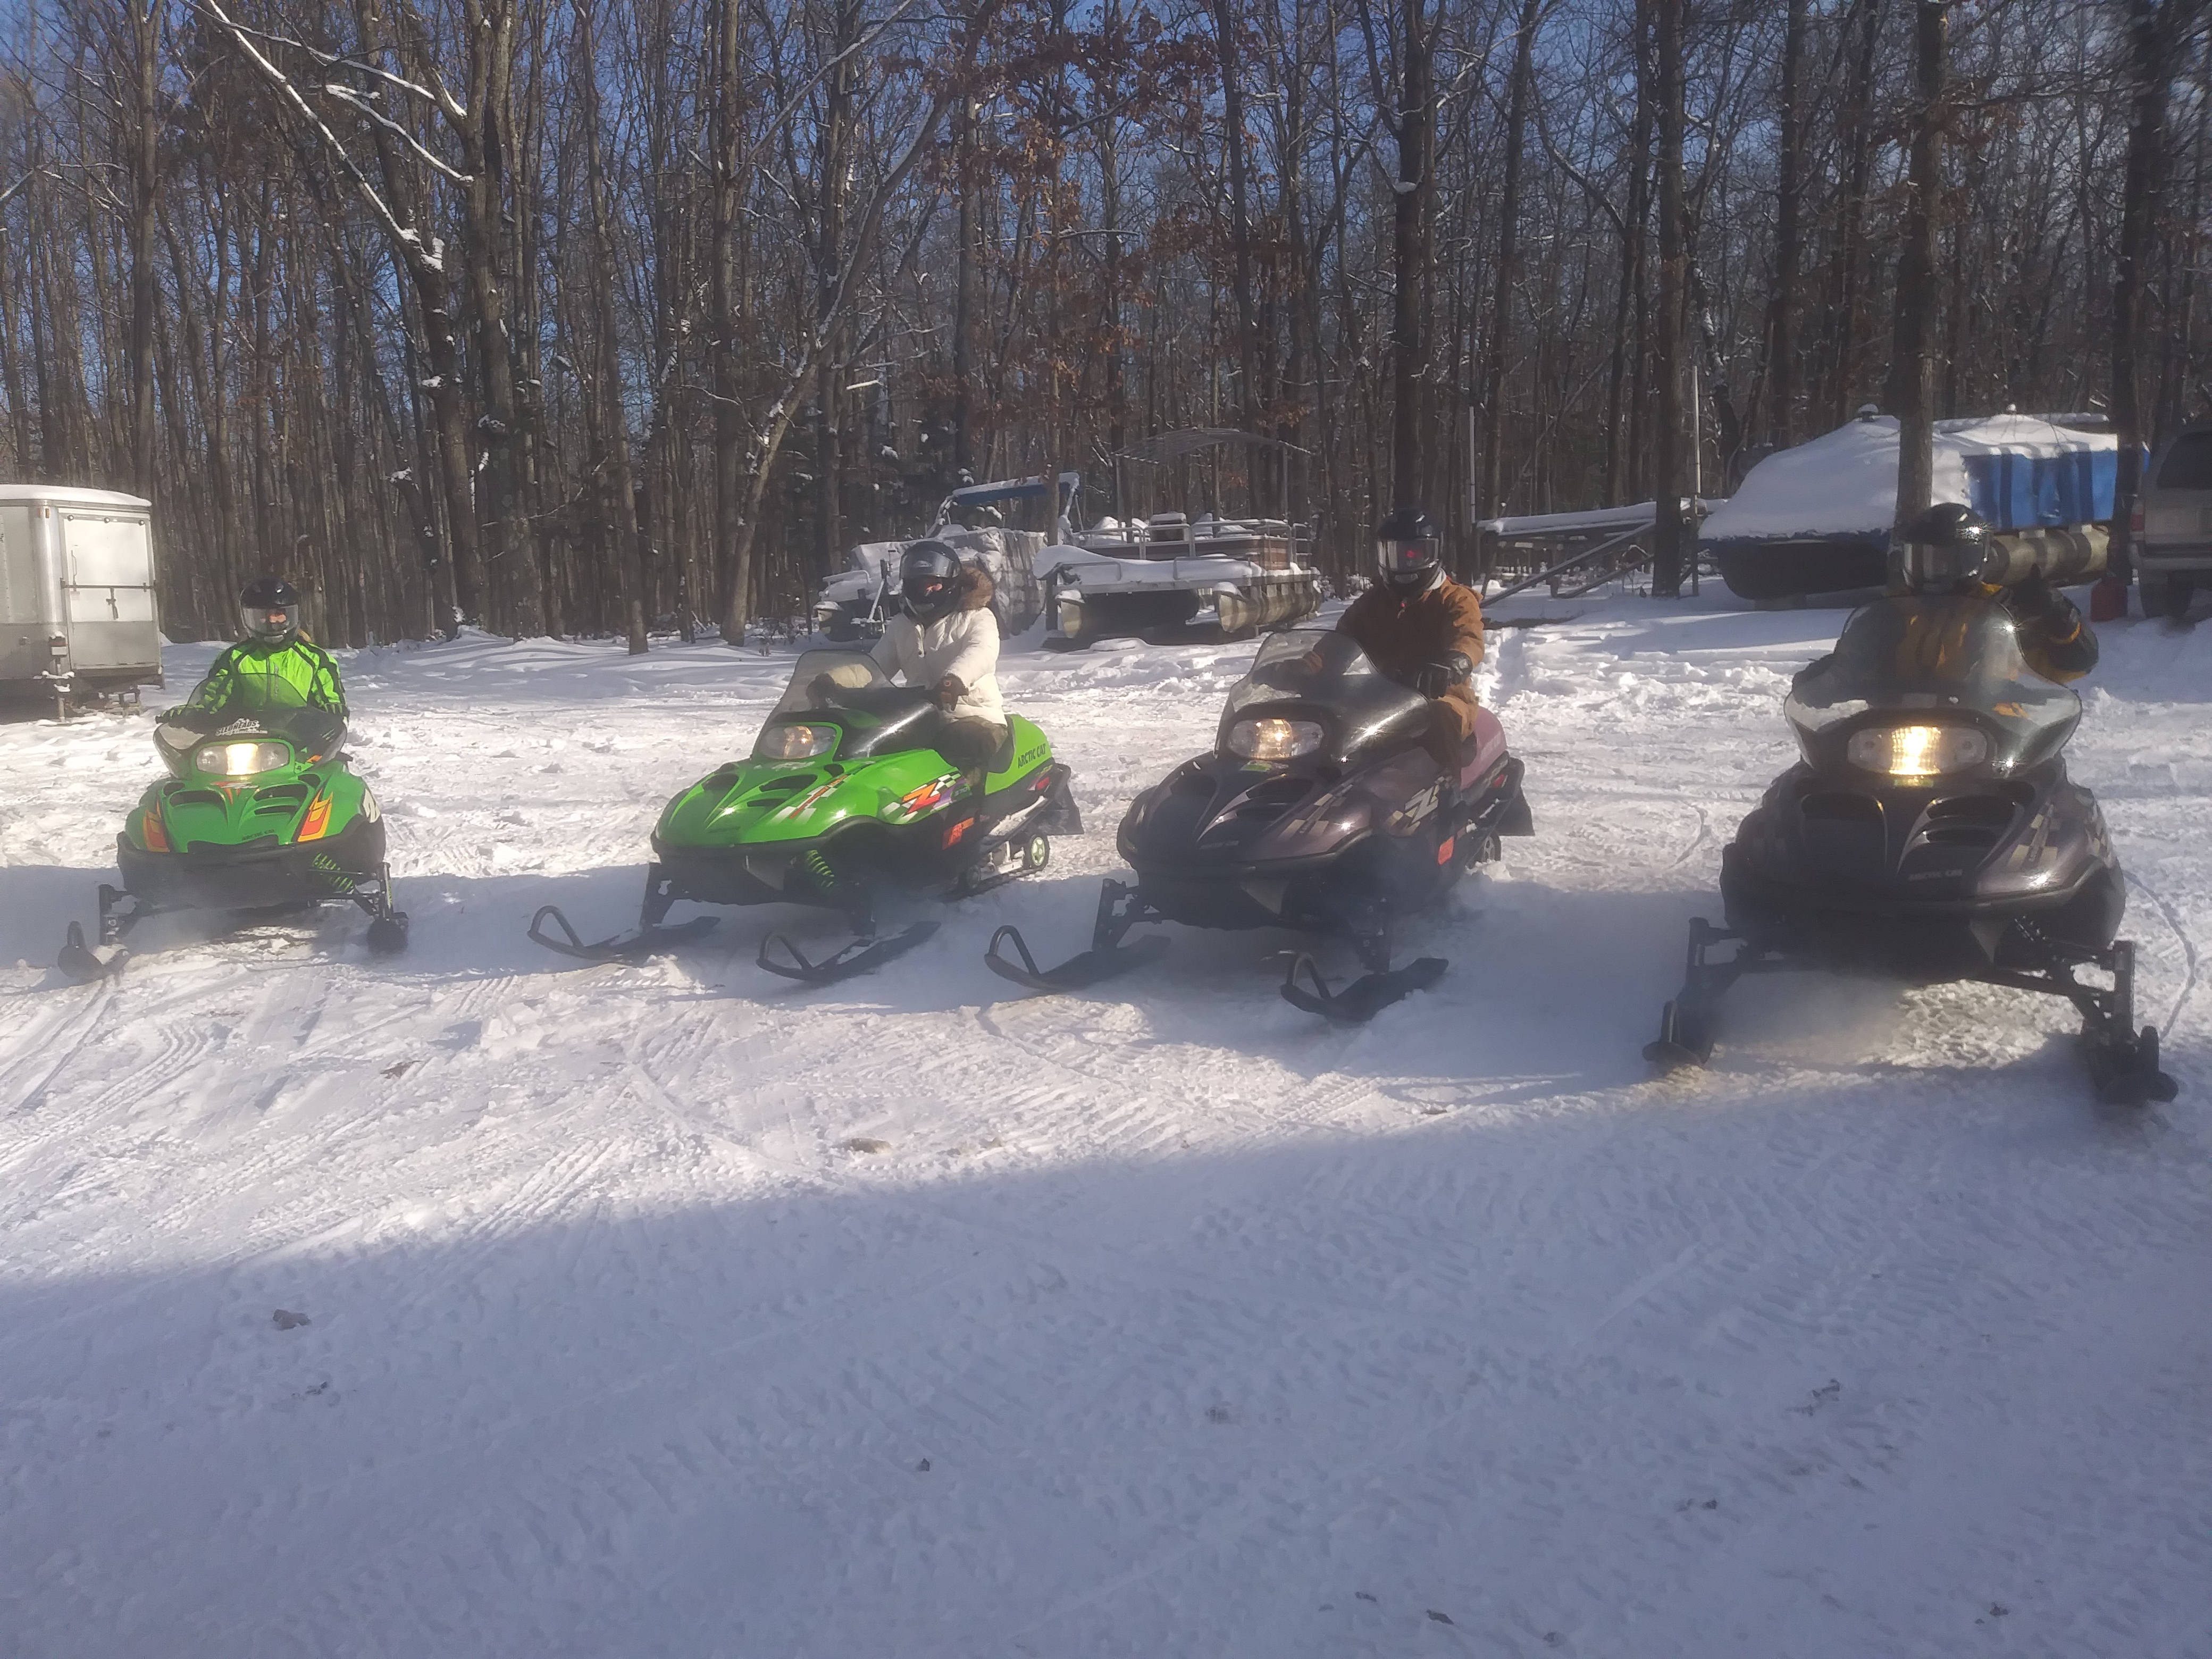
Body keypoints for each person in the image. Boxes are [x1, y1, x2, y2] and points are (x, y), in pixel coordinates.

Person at [1332, 506, 1486, 772]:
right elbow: (1338, 643)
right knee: (1328, 724)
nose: (1403, 564)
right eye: (1394, 555)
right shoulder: (1372, 603)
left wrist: (1453, 663)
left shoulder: (1454, 598)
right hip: (1381, 698)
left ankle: (1448, 790)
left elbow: (1468, 636)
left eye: (1413, 554)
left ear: (1434, 553)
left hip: (1441, 695)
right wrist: (1307, 666)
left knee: (1439, 717)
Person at [1898, 502, 2098, 683]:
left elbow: (2074, 667)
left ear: (1970, 560)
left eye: (1942, 562)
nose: (1932, 571)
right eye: (1921, 560)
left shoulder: (1999, 608)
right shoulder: (1900, 608)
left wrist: (2060, 618)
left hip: (1987, 708)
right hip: (1909, 709)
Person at [870, 540, 1006, 773]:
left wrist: (955, 679)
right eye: (918, 584)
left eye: (934, 584)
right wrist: (837, 680)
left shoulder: (977, 617)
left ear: (952, 583)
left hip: (973, 716)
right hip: (918, 718)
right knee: (876, 750)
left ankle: (971, 796)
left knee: (964, 743)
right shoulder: (901, 626)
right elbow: (874, 666)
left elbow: (981, 651)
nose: (926, 591)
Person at [169, 577, 347, 730]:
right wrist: (192, 712)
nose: (272, 621)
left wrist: (333, 707)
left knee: (334, 761)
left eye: (278, 614)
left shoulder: (316, 659)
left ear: (291, 615)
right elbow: (215, 696)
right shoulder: (234, 658)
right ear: (249, 618)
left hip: (301, 734)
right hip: (246, 733)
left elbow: (329, 695)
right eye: (263, 616)